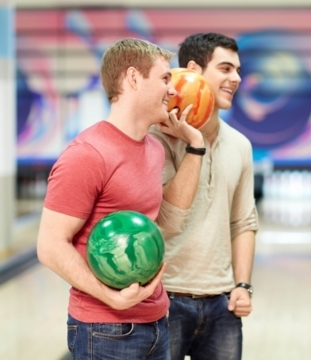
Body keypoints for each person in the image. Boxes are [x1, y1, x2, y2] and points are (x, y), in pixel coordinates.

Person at [37, 38, 204, 359]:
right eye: (165, 78)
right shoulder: (87, 155)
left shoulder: (153, 149)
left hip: (156, 319)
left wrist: (195, 146)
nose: (174, 90)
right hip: (104, 328)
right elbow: (50, 245)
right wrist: (108, 296)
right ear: (132, 78)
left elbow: (166, 222)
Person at [149, 32, 258, 360]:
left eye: (238, 70)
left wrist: (242, 285)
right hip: (163, 298)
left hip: (222, 303)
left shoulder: (240, 144)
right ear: (194, 70)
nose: (236, 78)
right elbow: (161, 217)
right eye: (225, 69)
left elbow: (243, 221)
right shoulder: (154, 140)